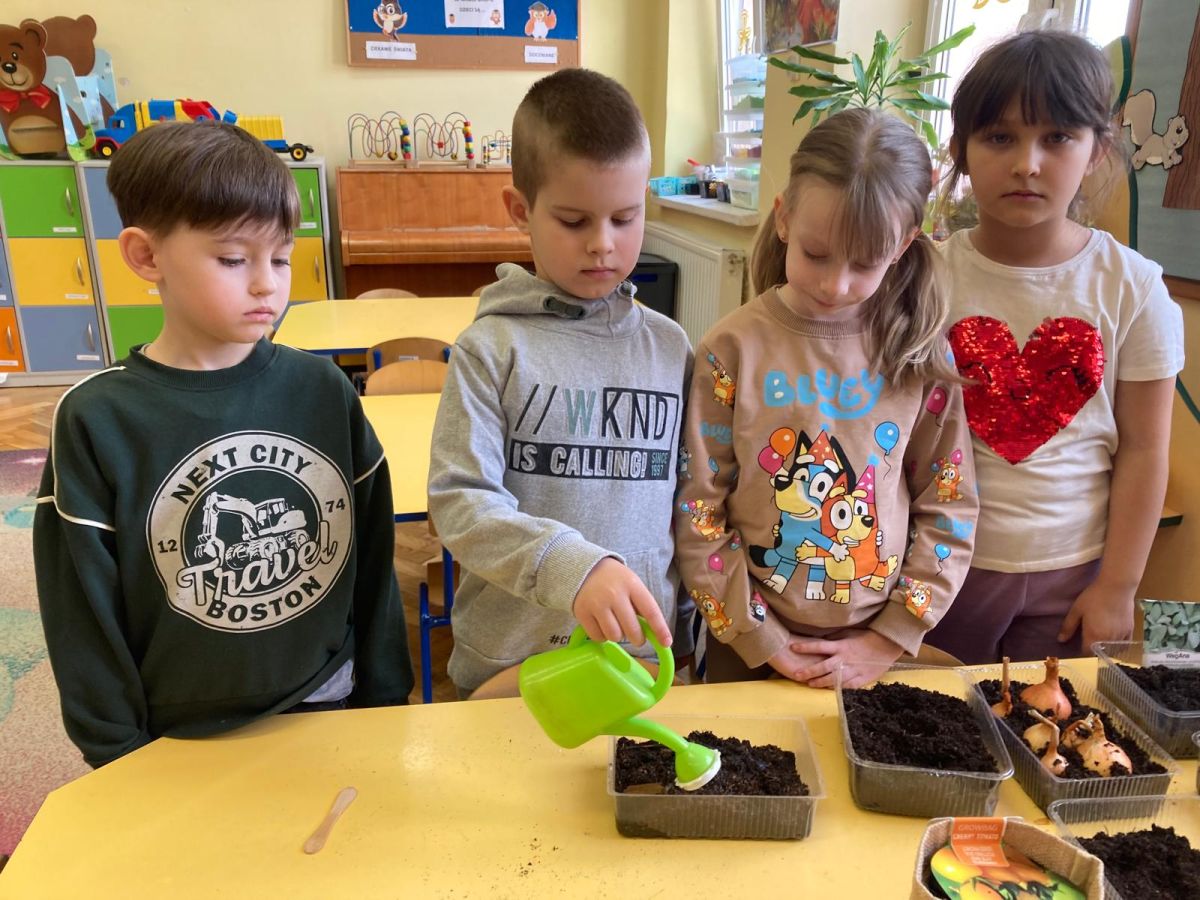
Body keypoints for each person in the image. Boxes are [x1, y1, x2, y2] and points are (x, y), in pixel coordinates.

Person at [34, 121, 413, 768]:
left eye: (282, 258)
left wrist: (384, 696)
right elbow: (80, 609)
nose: (267, 283)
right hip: (173, 735)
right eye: (234, 259)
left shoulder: (324, 390)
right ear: (146, 256)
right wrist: (117, 752)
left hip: (326, 704)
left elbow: (374, 557)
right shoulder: (96, 417)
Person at [676, 108, 977, 690]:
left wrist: (890, 637)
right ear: (783, 218)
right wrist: (760, 638)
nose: (835, 284)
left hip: (876, 648)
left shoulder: (918, 352)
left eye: (864, 264)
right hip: (747, 646)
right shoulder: (731, 347)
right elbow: (699, 508)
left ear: (904, 244)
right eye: (816, 254)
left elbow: (950, 503)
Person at [427, 68, 692, 697]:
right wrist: (572, 567)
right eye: (574, 221)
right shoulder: (491, 348)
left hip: (638, 665)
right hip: (508, 668)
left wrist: (686, 624)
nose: (603, 244)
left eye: (625, 217)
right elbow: (461, 503)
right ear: (520, 210)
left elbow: (688, 503)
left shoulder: (670, 348)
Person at [925, 30, 1185, 665]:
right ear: (960, 150)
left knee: (1052, 718)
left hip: (1073, 577)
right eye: (999, 137)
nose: (1027, 163)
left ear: (1097, 150)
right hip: (937, 571)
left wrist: (1118, 587)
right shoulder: (923, 277)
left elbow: (1146, 450)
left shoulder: (1133, 286)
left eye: (1058, 138)